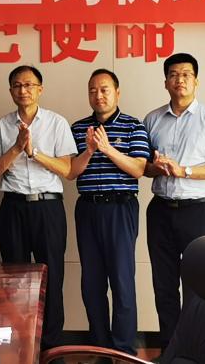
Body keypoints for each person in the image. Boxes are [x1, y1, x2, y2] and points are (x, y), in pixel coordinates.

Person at [143, 53, 205, 350]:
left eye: (185, 74)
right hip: (160, 210)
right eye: (173, 74)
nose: (179, 79)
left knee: (198, 285)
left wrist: (184, 170)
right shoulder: (152, 119)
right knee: (164, 284)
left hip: (197, 211)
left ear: (196, 81)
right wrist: (157, 167)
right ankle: (170, 350)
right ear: (165, 82)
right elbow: (144, 168)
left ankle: (198, 351)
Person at [0, 65, 76, 349]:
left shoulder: (56, 123)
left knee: (52, 277)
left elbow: (67, 169)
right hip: (13, 207)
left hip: (47, 208)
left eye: (28, 85)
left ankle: (52, 348)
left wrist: (33, 152)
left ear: (40, 89)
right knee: (14, 279)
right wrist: (16, 148)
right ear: (10, 91)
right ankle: (21, 345)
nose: (23, 90)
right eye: (17, 85)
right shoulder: (2, 125)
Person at [67, 68, 151, 354]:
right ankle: (100, 348)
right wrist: (90, 150)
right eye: (93, 90)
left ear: (117, 92)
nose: (98, 95)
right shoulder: (78, 128)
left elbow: (138, 169)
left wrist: (107, 149)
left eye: (104, 89)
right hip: (88, 208)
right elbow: (71, 172)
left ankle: (124, 351)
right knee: (91, 283)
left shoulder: (133, 126)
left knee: (122, 281)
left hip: (120, 208)